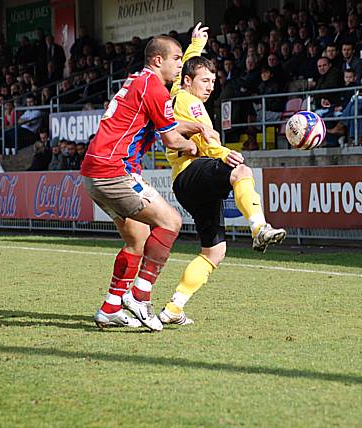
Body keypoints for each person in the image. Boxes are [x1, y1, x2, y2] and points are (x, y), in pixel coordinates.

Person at [80, 31, 217, 331]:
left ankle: (111, 307)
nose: (181, 65)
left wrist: (192, 127)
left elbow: (164, 123)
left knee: (137, 239)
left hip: (94, 173)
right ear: (158, 60)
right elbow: (170, 139)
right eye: (177, 59)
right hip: (115, 171)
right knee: (171, 222)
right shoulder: (154, 88)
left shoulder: (138, 82)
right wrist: (194, 146)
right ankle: (140, 297)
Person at [157, 24, 286, 326]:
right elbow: (209, 138)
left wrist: (195, 45)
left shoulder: (177, 93)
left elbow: (184, 71)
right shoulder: (192, 104)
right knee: (240, 170)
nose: (211, 85)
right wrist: (221, 153)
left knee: (214, 252)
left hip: (185, 183)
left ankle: (173, 308)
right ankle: (259, 228)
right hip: (193, 171)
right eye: (205, 80)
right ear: (189, 81)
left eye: (214, 80)